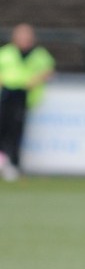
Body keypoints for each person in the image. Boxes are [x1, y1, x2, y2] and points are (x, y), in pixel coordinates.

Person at [0, 23, 55, 181]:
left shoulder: (39, 54)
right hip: (6, 94)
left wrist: (35, 80)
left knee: (16, 131)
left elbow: (49, 70)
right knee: (2, 127)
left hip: (24, 96)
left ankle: (13, 164)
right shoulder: (6, 52)